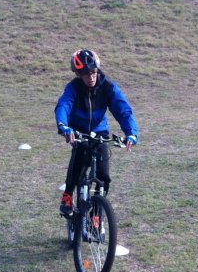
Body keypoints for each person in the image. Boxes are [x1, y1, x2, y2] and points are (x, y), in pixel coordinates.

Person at [55, 49, 139, 216]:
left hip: (100, 131)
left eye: (93, 72)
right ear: (78, 74)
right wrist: (64, 126)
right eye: (86, 74)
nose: (91, 77)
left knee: (104, 176)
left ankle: (97, 214)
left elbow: (123, 111)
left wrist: (131, 133)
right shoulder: (73, 88)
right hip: (78, 131)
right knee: (79, 161)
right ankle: (67, 196)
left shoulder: (108, 87)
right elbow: (63, 106)